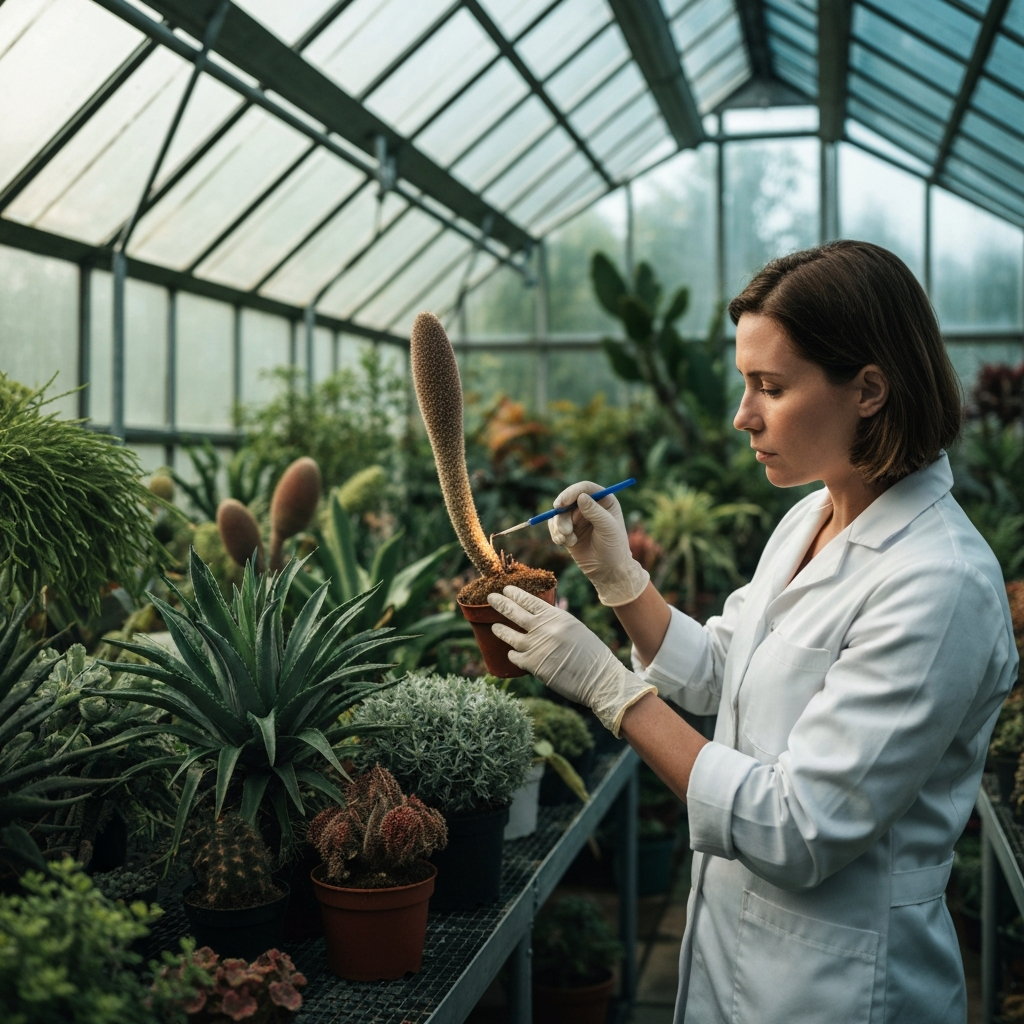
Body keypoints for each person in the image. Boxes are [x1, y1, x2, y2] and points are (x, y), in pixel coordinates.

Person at [487, 241, 1018, 1024]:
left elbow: (797, 828)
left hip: (841, 989)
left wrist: (611, 690)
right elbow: (724, 669)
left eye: (770, 386)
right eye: (746, 383)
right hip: (730, 956)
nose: (744, 415)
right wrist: (619, 580)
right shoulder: (814, 513)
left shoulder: (939, 585)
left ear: (869, 389)